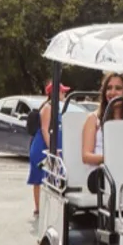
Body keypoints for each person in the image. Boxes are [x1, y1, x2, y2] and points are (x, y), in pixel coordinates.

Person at [28, 82, 70, 216]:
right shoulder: (47, 108)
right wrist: (52, 148)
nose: (65, 94)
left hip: (52, 146)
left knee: (54, 176)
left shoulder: (55, 108)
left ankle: (50, 206)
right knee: (39, 177)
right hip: (42, 147)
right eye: (62, 91)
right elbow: (45, 130)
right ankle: (38, 208)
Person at [82, 73, 123, 167]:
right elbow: (86, 156)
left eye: (118, 88)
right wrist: (112, 158)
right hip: (101, 171)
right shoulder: (94, 119)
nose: (112, 92)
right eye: (109, 88)